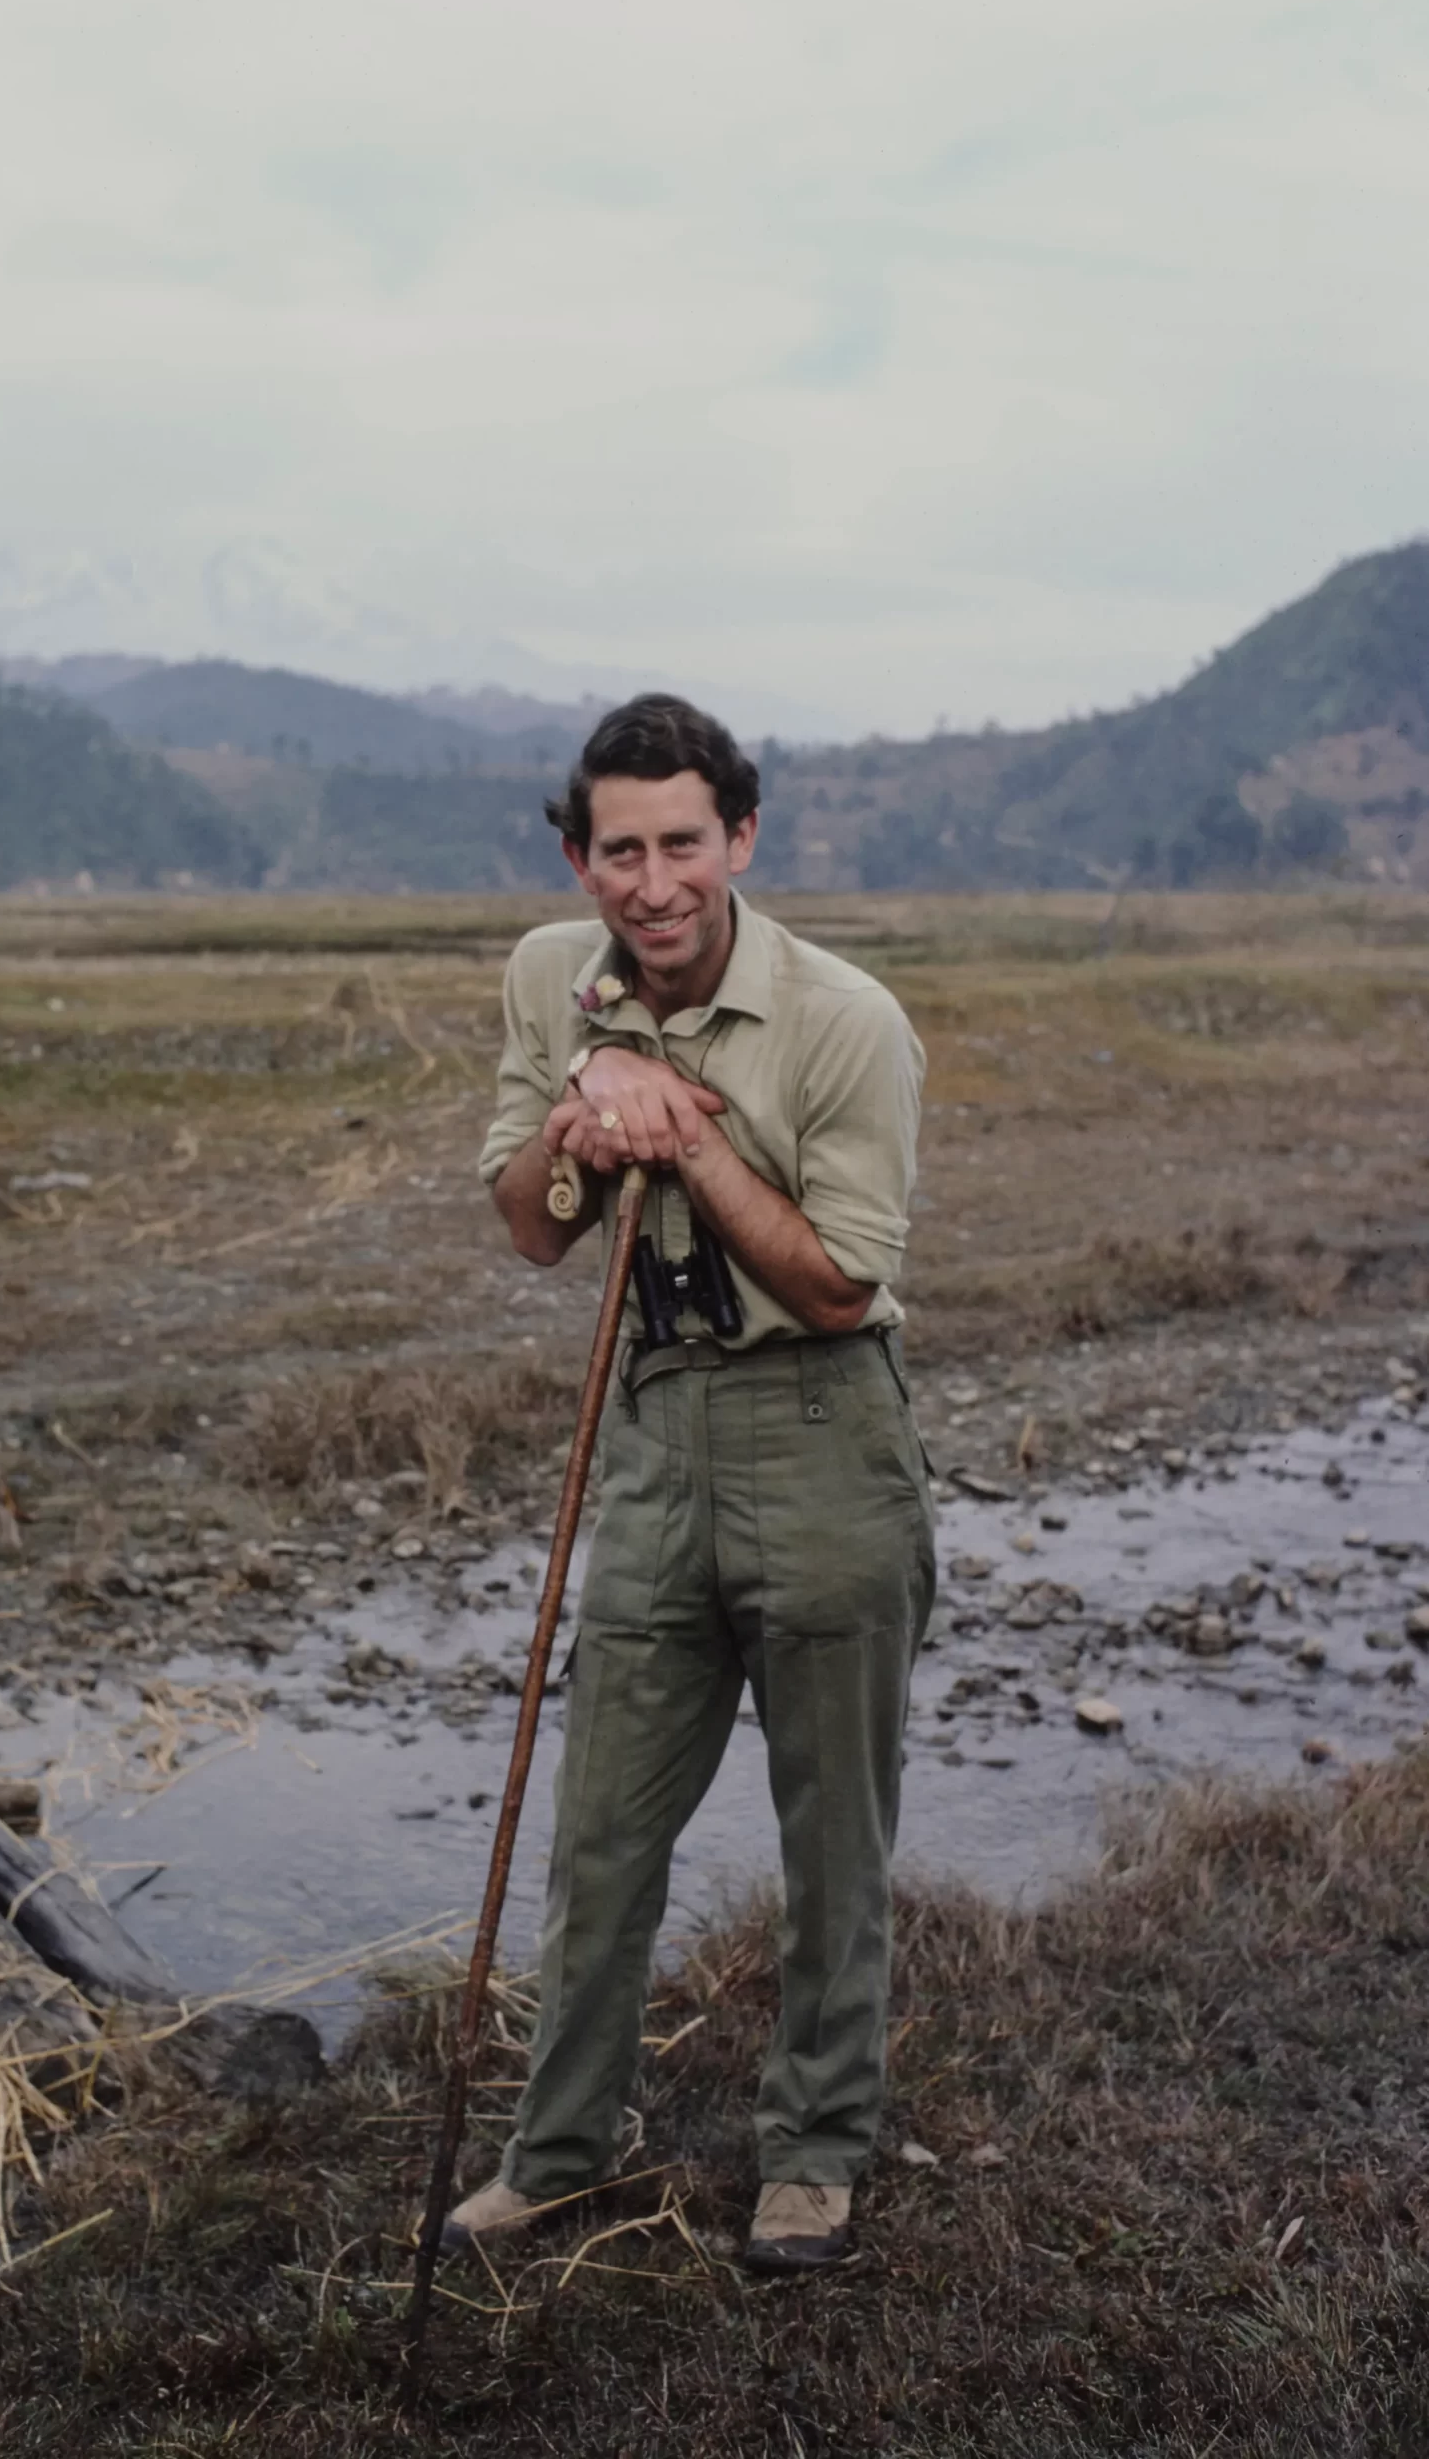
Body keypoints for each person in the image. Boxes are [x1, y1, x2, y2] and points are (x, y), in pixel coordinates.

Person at [451, 692, 934, 2274]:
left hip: (821, 1433)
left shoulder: (845, 1020)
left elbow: (840, 1290)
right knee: (601, 1832)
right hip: (653, 1437)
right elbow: (532, 1227)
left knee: (829, 1833)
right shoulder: (550, 976)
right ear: (577, 857)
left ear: (737, 838)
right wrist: (590, 1103)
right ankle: (558, 2150)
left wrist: (688, 1135)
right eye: (616, 851)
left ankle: (811, 2154)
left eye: (680, 844)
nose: (650, 884)